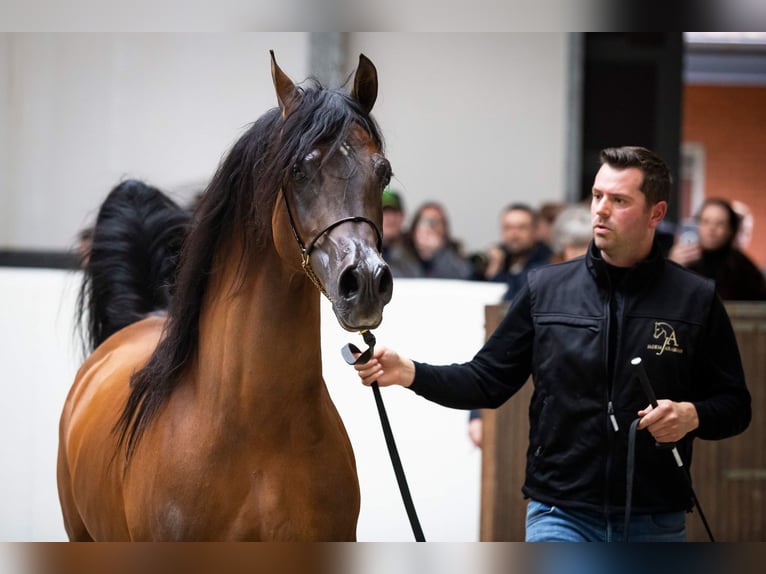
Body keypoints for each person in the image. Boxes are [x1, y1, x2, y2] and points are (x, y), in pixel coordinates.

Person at [353, 146, 751, 542]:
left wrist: (691, 416)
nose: (601, 210)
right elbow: (485, 381)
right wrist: (409, 373)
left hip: (655, 518)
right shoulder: (545, 289)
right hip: (561, 513)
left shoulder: (694, 298)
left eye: (619, 200)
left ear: (656, 213)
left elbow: (735, 405)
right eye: (597, 196)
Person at [668, 197, 766, 301]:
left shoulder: (742, 266)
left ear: (731, 230)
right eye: (706, 222)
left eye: (720, 224)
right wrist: (671, 267)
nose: (712, 229)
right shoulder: (682, 258)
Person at [483, 204, 552, 301]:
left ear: (535, 230)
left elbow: (513, 299)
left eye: (521, 228)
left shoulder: (547, 262)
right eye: (508, 228)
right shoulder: (498, 256)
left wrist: (496, 273)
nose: (514, 234)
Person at [404, 201, 472, 279]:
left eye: (435, 222)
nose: (429, 229)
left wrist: (439, 252)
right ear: (415, 227)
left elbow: (464, 276)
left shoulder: (455, 253)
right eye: (424, 221)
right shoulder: (400, 251)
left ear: (444, 229)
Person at [380, 187, 422, 278]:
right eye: (384, 212)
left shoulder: (417, 249)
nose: (390, 219)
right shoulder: (362, 250)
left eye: (394, 212)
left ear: (403, 216)